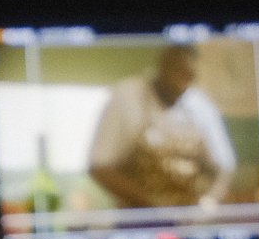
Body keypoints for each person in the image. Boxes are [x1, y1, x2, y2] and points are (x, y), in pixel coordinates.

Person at [87, 45, 236, 209]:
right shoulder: (128, 95)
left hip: (190, 219)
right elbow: (99, 167)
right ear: (163, 67)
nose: (181, 85)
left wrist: (208, 201)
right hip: (140, 218)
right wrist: (153, 204)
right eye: (177, 73)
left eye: (189, 77)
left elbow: (224, 167)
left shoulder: (200, 105)